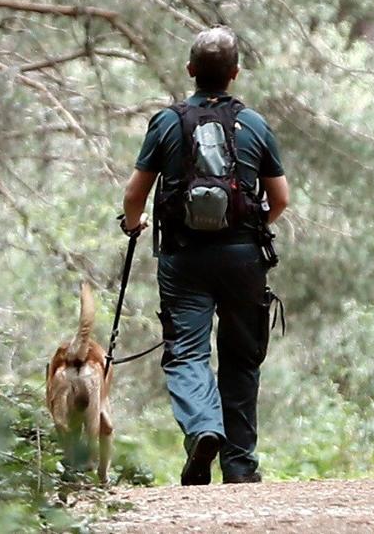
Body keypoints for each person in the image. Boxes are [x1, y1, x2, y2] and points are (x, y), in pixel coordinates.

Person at [121, 26, 289, 485]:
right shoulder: (253, 124)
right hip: (243, 258)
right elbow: (281, 198)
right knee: (241, 357)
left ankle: (202, 429)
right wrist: (257, 225)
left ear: (191, 70)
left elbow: (135, 193)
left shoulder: (167, 122)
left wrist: (133, 223)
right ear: (234, 74)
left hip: (184, 258)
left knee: (187, 354)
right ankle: (240, 465)